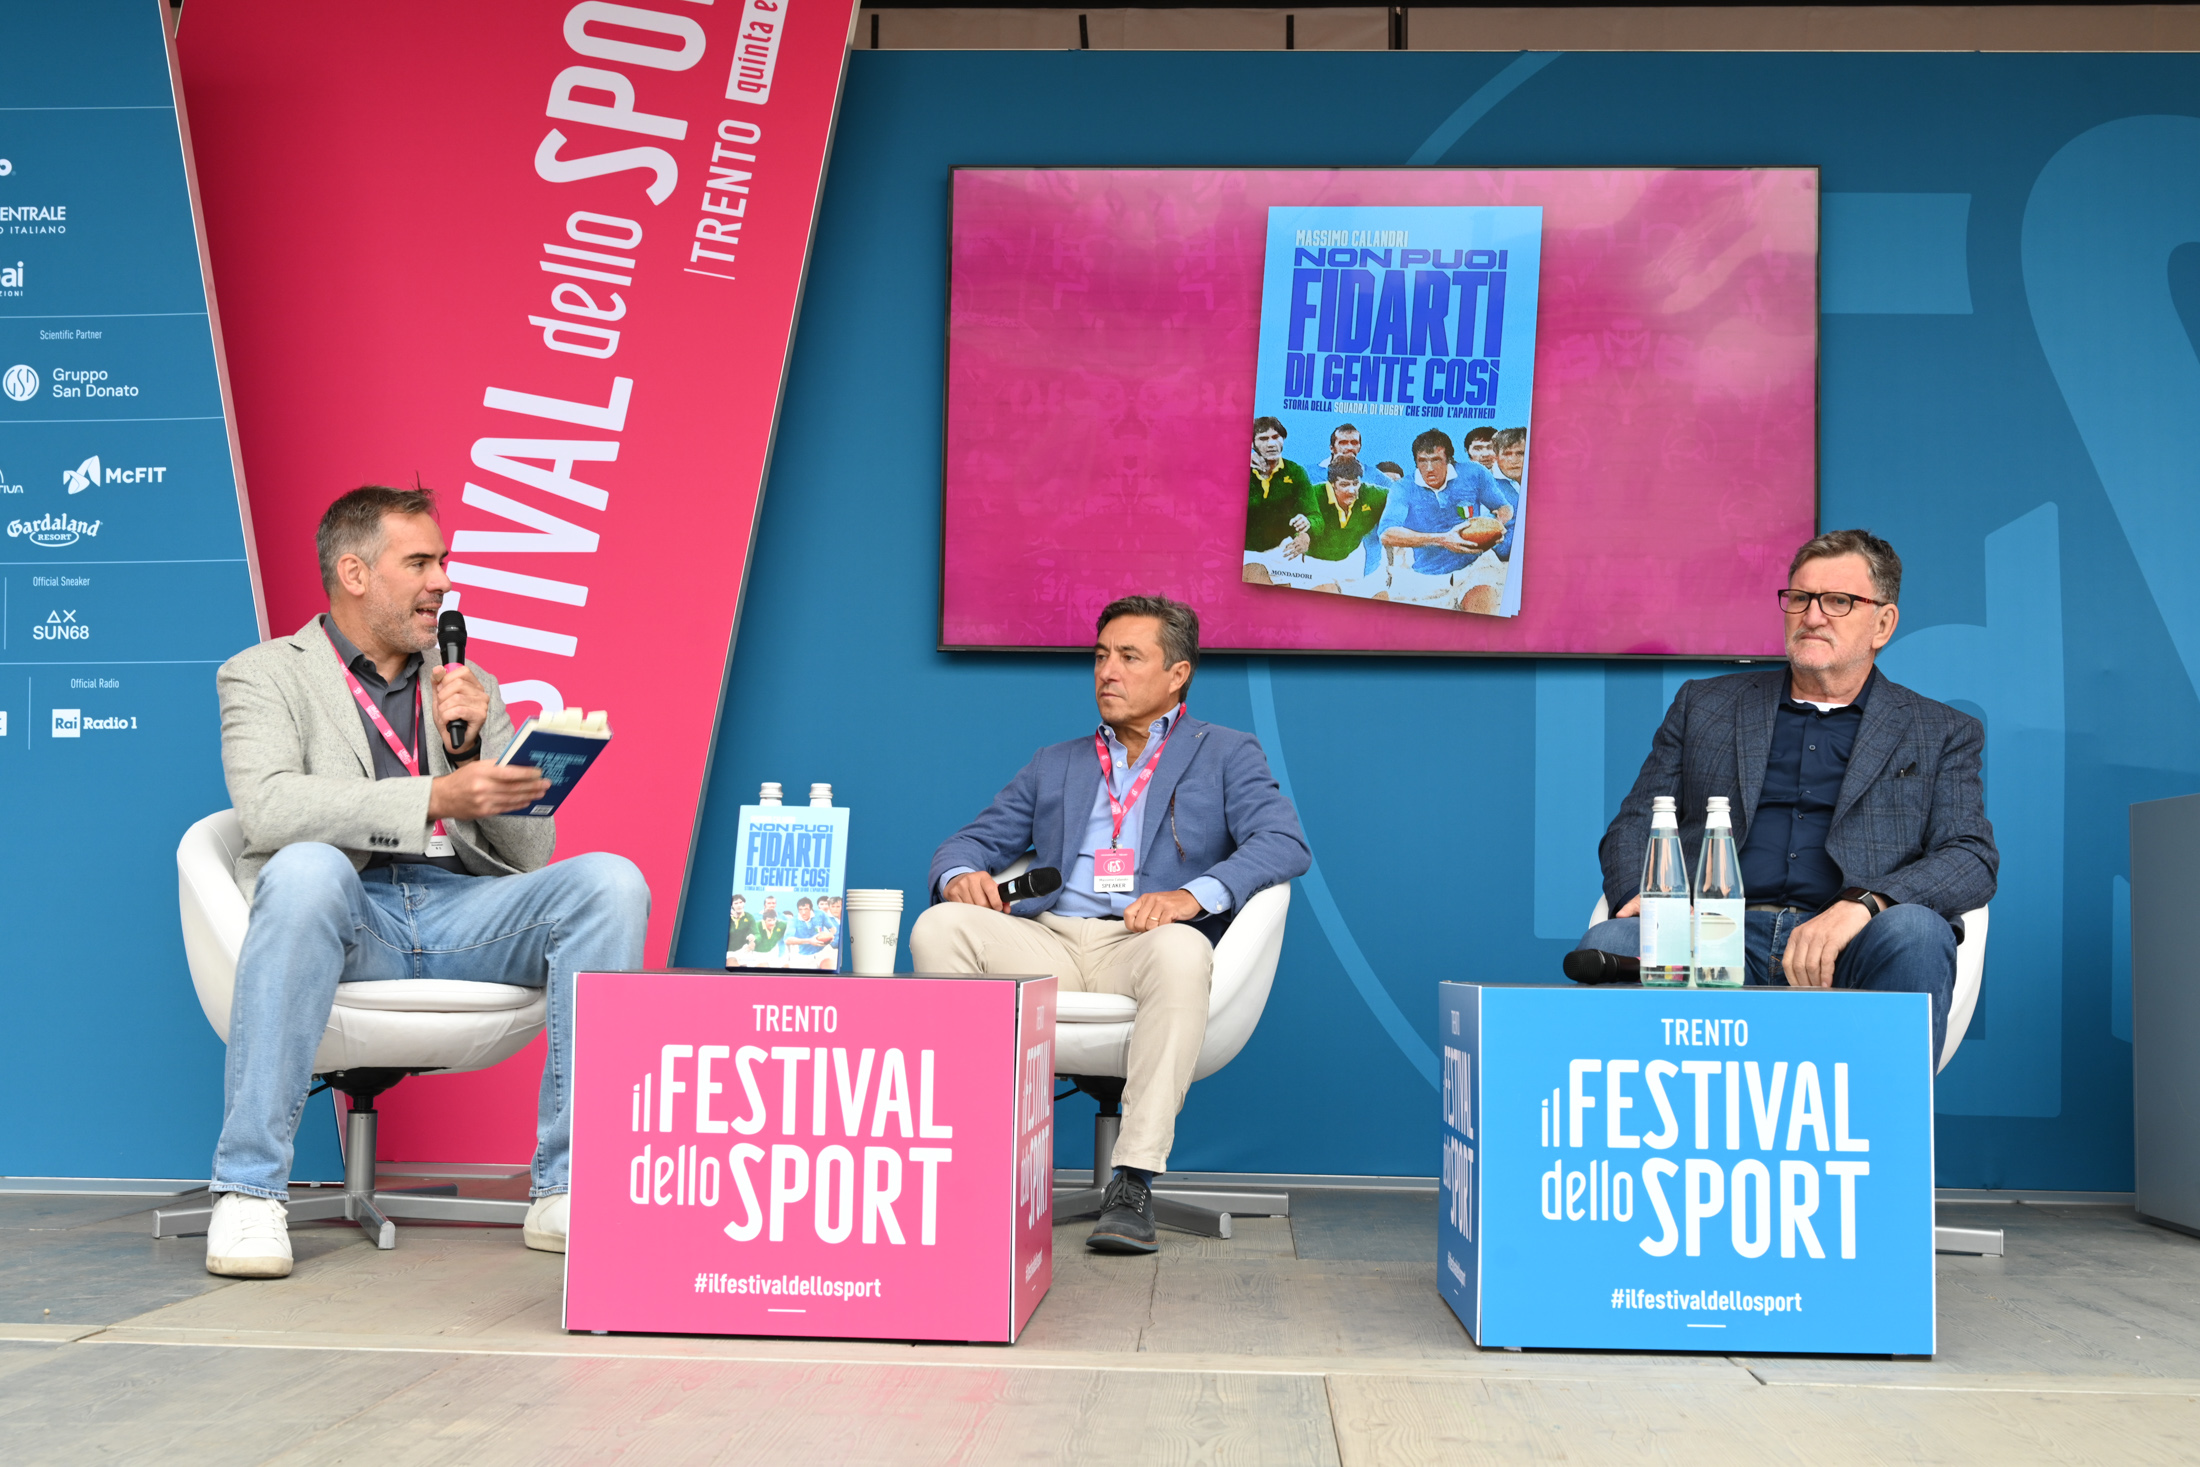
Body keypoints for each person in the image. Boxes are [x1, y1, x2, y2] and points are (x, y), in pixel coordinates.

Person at [203, 485, 649, 1278]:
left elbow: (532, 850)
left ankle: (569, 1187)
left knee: (610, 882)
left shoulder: (466, 680)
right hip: (352, 915)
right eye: (420, 561)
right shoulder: (265, 672)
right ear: (354, 572)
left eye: (443, 559)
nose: (442, 579)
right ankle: (248, 1191)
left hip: (465, 912)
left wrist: (476, 754)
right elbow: (269, 808)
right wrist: (434, 796)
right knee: (304, 866)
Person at [912, 596, 1309, 1254]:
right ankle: (982, 1160)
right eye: (1101, 656)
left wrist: (1191, 896)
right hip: (1054, 938)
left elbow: (1284, 844)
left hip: (1144, 940)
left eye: (1129, 657)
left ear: (1177, 673)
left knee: (1182, 950)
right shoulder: (1056, 762)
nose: (1107, 671)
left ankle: (1133, 1180)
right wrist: (960, 876)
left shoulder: (1226, 753)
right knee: (938, 928)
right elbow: (969, 842)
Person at [1572, 530, 1998, 1063]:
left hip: (1849, 943)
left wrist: (1865, 905)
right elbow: (1637, 820)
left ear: (1883, 624)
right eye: (1799, 598)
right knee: (1614, 943)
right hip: (1710, 933)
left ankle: (1884, 1136)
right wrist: (1647, 897)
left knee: (1915, 930)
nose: (1812, 616)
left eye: (1838, 601)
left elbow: (1970, 855)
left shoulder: (1939, 730)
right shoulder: (1704, 705)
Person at [1375, 428, 1514, 614]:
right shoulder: (1403, 488)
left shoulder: (1474, 473)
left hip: (1475, 566)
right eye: (1422, 461)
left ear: (1449, 459)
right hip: (1428, 575)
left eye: (1436, 460)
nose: (1429, 468)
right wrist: (1442, 539)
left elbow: (1504, 508)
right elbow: (1386, 534)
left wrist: (1497, 525)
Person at [1303, 456, 1389, 594]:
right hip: (1315, 562)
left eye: (1355, 483)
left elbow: (1399, 497)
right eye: (1344, 485)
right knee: (1328, 595)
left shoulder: (1370, 493)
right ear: (1331, 484)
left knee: (1379, 598)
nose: (1351, 490)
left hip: (1352, 560)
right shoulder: (1312, 495)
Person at [1243, 416, 1313, 583]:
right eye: (1263, 439)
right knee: (1256, 575)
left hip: (1282, 548)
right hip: (1248, 551)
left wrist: (1306, 534)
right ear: (1252, 444)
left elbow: (1313, 514)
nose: (1271, 444)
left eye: (1276, 437)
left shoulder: (1296, 471)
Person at [726, 893, 757, 966]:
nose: (739, 905)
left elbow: (755, 933)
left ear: (744, 903)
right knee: (731, 963)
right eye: (736, 903)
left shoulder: (749, 917)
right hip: (730, 951)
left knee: (745, 968)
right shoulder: (727, 917)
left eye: (741, 902)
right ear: (732, 905)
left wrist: (753, 939)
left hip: (744, 949)